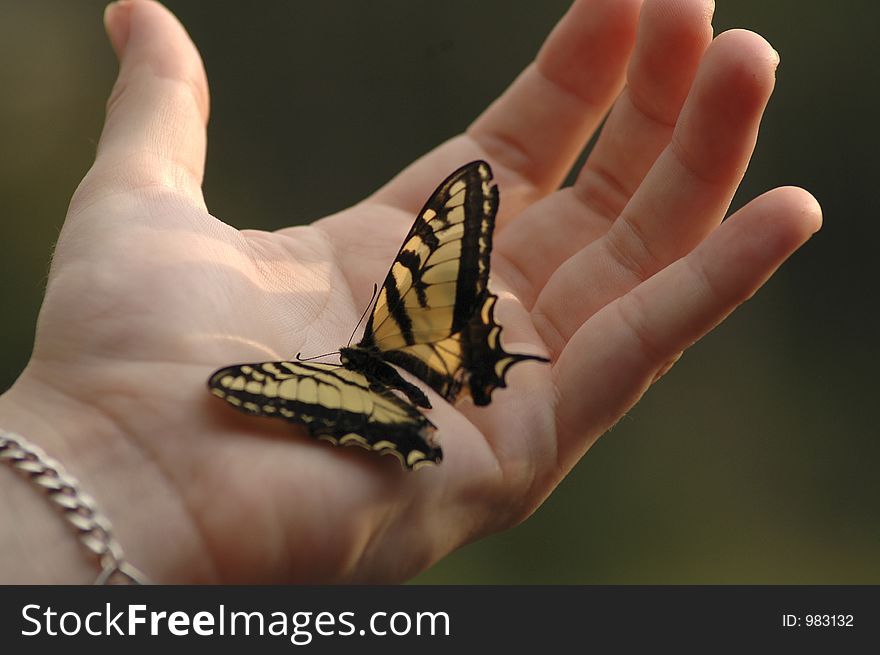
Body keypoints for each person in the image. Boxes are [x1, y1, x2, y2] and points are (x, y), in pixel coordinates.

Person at [0, 0, 821, 583]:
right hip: (422, 351)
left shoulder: (313, 369)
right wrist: (98, 442)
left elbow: (264, 383)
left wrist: (94, 453)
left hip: (376, 384)